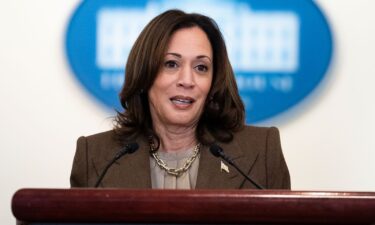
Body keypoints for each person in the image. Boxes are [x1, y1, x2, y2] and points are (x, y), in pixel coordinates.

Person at [70, 9, 290, 189]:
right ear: (145, 75)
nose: (187, 80)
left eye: (201, 67)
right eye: (171, 64)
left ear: (213, 83)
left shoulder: (262, 152)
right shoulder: (95, 157)